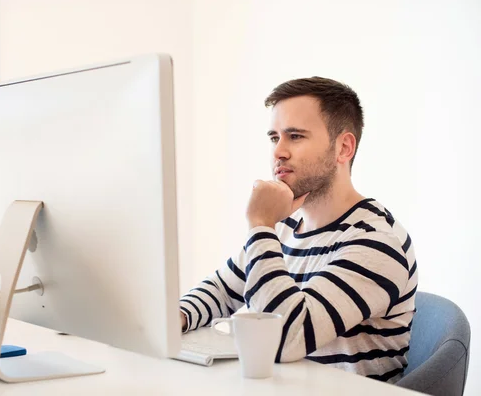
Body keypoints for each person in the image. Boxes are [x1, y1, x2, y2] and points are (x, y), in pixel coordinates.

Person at [179, 77, 418, 384]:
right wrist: (178, 318)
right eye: (273, 137)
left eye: (294, 136)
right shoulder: (285, 227)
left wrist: (261, 225)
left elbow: (285, 337)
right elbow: (225, 290)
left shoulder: (376, 241)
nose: (278, 152)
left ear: (343, 148)